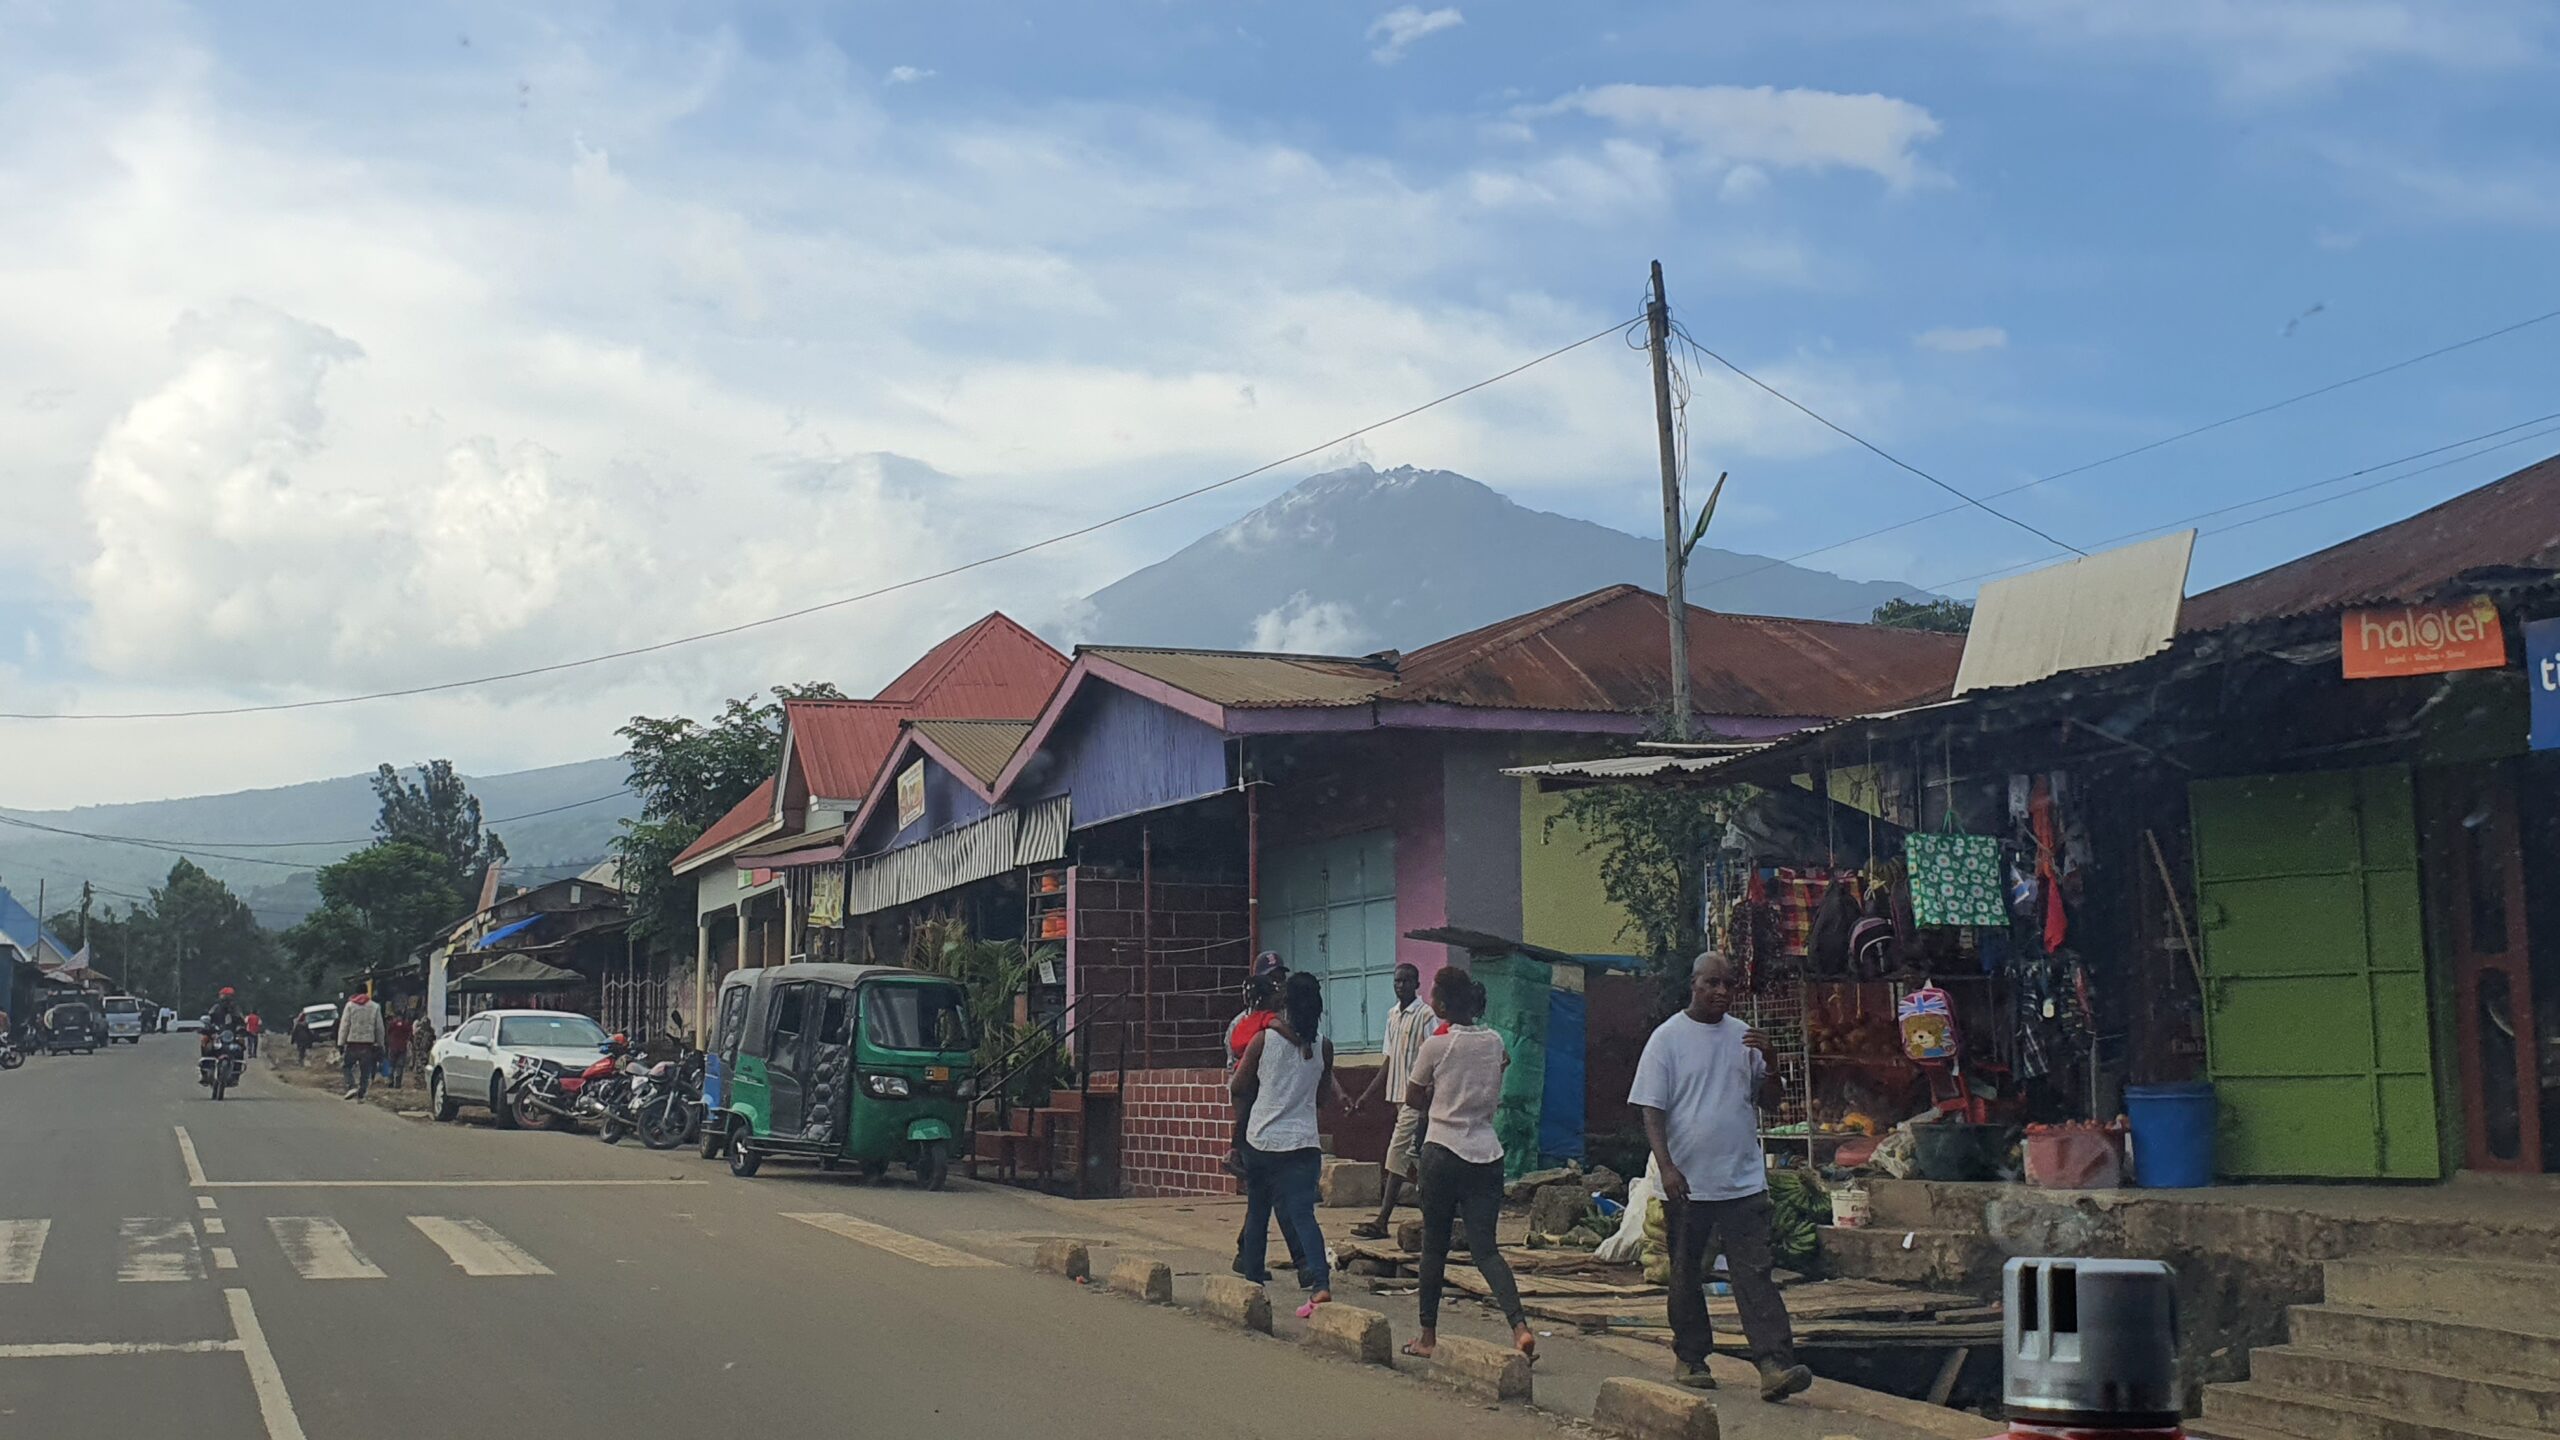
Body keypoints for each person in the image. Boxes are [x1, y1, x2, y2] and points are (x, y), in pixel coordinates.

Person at [1631, 950, 1812, 1402]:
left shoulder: (1744, 1038)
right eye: (1712, 983)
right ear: (1693, 984)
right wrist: (1667, 1167)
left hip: (1743, 1181)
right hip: (1688, 1183)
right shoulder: (1666, 1039)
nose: (1722, 992)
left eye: (1728, 985)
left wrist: (1771, 1061)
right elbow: (1651, 1111)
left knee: (1755, 1274)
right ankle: (1691, 1357)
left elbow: (1769, 1103)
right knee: (1687, 1272)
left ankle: (1774, 1365)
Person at [1401, 966, 1535, 1363]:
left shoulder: (1436, 1046)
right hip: (1486, 1153)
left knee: (1434, 1248)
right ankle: (1520, 1327)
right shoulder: (1494, 1041)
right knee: (1486, 1250)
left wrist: (1444, 1098)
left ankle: (1427, 1336)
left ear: (1441, 1003)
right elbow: (1504, 1062)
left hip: (1441, 1150)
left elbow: (1412, 1098)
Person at [1230, 970, 1334, 1318]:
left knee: (1258, 1211)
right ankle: (1321, 1284)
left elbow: (1238, 1086)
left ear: (1284, 1002)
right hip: (1304, 1142)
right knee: (1303, 1214)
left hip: (1263, 1139)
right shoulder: (1324, 1046)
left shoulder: (1264, 1040)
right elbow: (1321, 1098)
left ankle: (1253, 1281)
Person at [1351, 961, 1434, 1241]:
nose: (1401, 986)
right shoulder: (1392, 1016)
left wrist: (1427, 1101)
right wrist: (1366, 1095)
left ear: (1417, 983)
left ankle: (1382, 1219)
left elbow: (1434, 1057)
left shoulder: (1425, 1016)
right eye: (1397, 981)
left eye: (1406, 981)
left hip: (1416, 1099)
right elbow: (1388, 1061)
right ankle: (1440, 1216)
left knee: (1397, 1153)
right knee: (1417, 1159)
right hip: (1397, 1096)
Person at [337, 991, 386, 1100]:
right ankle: (361, 1094)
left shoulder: (350, 1006)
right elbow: (379, 1028)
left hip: (352, 1044)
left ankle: (351, 1086)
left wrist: (340, 1043)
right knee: (365, 1071)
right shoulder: (375, 1006)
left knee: (346, 1066)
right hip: (368, 1045)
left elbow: (345, 1025)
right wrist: (380, 1044)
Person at [199, 988, 243, 1085]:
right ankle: (205, 1072)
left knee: (240, 1045)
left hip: (230, 1035)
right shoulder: (215, 1008)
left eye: (225, 995)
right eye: (223, 995)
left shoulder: (236, 1009)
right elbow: (209, 1019)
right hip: (216, 1033)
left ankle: (236, 1074)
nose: (224, 998)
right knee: (205, 1041)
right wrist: (208, 1029)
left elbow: (241, 1021)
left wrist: (241, 1031)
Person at [384, 1010, 413, 1089]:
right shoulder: (406, 1025)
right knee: (399, 1066)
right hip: (402, 1048)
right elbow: (410, 1033)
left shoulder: (392, 1024)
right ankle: (398, 1084)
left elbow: (388, 1033)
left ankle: (390, 1082)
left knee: (391, 1065)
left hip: (393, 1047)